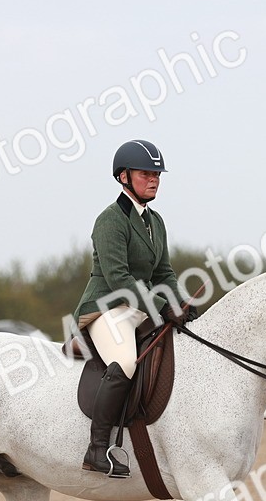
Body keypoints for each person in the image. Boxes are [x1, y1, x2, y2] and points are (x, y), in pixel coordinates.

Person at [71, 139, 195, 478]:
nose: (154, 180)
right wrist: (161, 306)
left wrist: (181, 304)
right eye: (146, 174)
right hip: (106, 306)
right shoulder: (110, 220)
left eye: (157, 175)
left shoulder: (156, 221)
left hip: (138, 307)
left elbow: (163, 273)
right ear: (123, 177)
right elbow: (119, 278)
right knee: (126, 361)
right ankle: (97, 448)